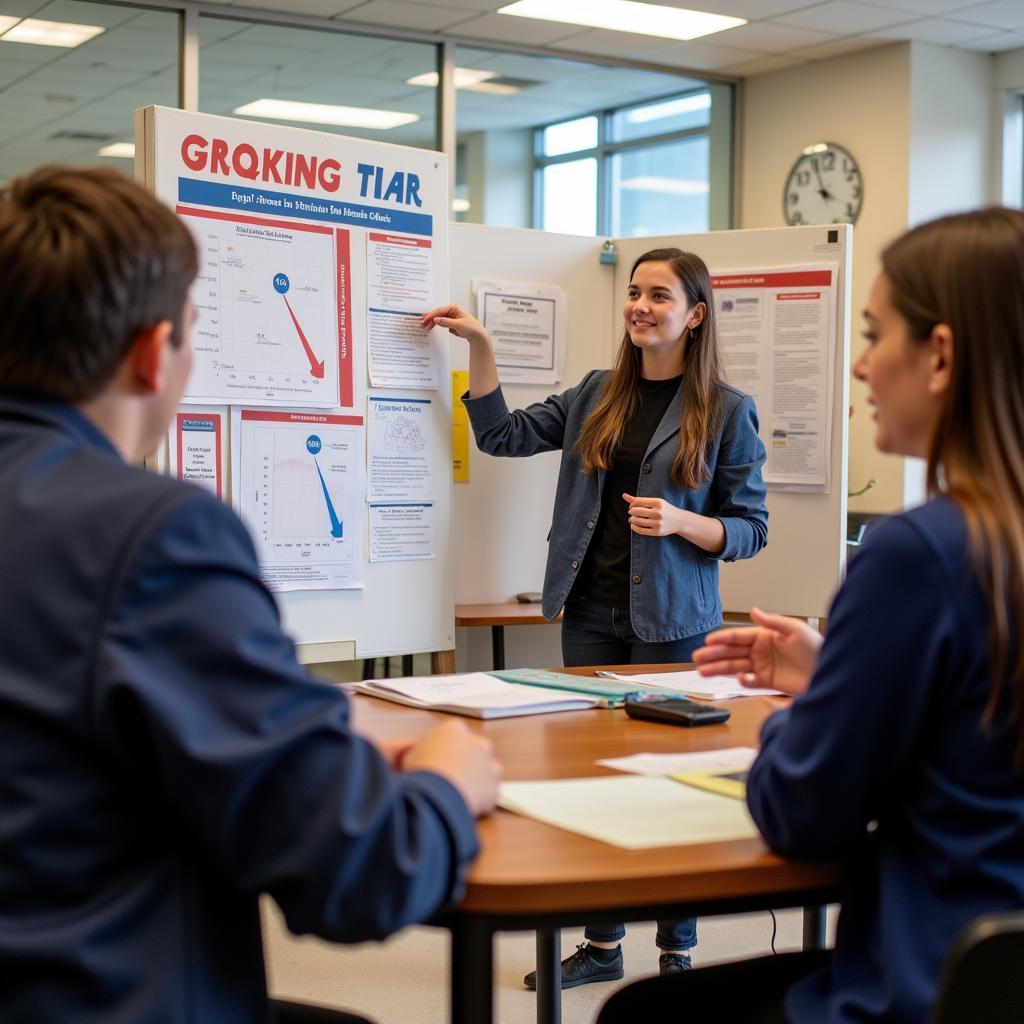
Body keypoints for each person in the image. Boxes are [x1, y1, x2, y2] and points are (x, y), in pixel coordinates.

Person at [0, 164, 501, 1024]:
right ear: (155, 355)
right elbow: (356, 874)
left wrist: (296, 740)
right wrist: (448, 787)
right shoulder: (152, 534)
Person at [597, 207, 1024, 1024]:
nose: (860, 368)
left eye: (873, 336)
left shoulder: (915, 556)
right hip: (998, 979)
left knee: (640, 1015)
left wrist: (799, 714)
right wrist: (839, 673)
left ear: (939, 356)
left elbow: (801, 810)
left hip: (918, 988)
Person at [421, 248, 768, 988]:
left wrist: (682, 522)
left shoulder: (729, 410)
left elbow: (750, 528)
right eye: (634, 293)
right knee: (592, 781)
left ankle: (677, 954)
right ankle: (604, 946)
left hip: (676, 624)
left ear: (695, 314)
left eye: (659, 296)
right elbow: (500, 435)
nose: (640, 306)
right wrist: (482, 347)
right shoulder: (594, 393)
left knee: (673, 788)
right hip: (590, 617)